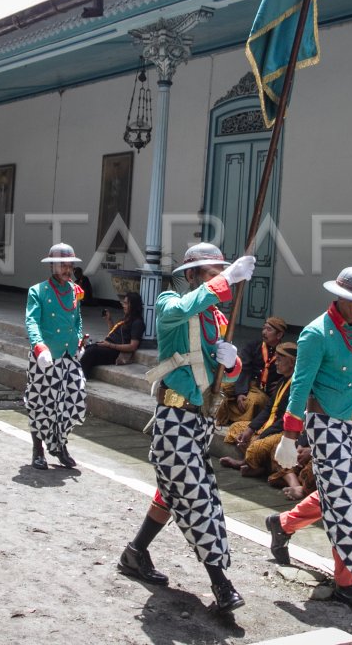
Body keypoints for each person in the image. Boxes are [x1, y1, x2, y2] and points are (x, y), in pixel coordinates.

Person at [116, 243, 255, 613]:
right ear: (191, 275)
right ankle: (221, 583)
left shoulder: (218, 320)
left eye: (219, 272)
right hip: (174, 418)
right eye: (210, 272)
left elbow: (222, 378)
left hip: (202, 419)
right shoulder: (167, 303)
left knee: (172, 490)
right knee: (197, 497)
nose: (217, 278)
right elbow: (183, 307)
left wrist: (234, 363)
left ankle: (135, 553)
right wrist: (227, 280)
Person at [269, 266, 352, 612]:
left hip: (351, 423)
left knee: (336, 494)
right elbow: (300, 386)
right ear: (340, 297)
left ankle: (283, 523)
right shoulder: (316, 334)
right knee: (347, 502)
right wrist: (289, 437)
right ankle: (347, 583)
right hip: (325, 424)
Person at [22, 243, 87, 470]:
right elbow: (32, 321)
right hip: (47, 355)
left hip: (69, 355)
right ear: (52, 266)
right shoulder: (37, 291)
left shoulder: (74, 291)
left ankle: (60, 444)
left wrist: (79, 341)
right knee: (42, 403)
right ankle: (38, 449)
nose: (67, 269)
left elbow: (77, 321)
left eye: (70, 264)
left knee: (73, 400)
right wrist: (39, 347)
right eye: (63, 264)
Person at [220, 341, 297, 478]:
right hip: (269, 425)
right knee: (236, 428)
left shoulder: (297, 386)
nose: (276, 363)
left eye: (279, 360)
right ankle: (255, 464)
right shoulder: (282, 381)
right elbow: (268, 409)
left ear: (291, 362)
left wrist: (261, 435)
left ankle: (249, 463)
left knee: (257, 446)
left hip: (283, 430)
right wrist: (250, 429)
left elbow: (285, 420)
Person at [215, 316, 286, 426]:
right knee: (219, 387)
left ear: (279, 335)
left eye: (269, 330)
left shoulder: (284, 353)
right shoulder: (253, 346)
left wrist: (281, 383)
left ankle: (240, 424)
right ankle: (217, 416)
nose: (264, 332)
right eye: (264, 328)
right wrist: (241, 392)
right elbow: (244, 369)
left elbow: (290, 374)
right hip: (245, 382)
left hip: (260, 390)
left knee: (253, 402)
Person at [79, 291, 144, 375]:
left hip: (116, 352)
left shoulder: (137, 322)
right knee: (84, 349)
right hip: (108, 346)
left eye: (126, 303)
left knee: (91, 352)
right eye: (123, 303)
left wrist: (110, 345)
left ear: (133, 305)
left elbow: (133, 346)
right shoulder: (126, 318)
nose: (123, 306)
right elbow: (113, 333)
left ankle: (81, 379)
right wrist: (109, 319)